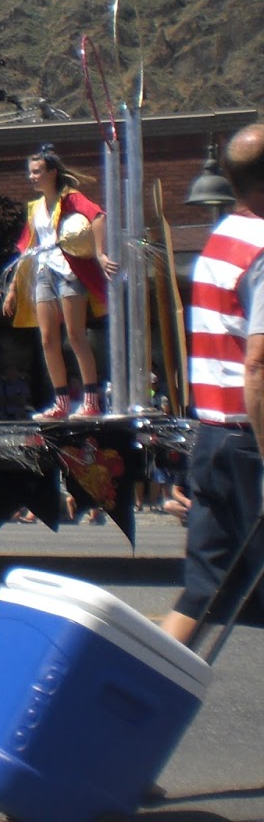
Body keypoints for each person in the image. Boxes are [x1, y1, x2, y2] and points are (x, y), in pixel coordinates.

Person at [161, 124, 264, 646]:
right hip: (252, 438)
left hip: (214, 435)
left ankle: (129, 702)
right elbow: (259, 365)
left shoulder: (220, 240)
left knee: (202, 592)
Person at [2, 144, 117, 420]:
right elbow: (26, 248)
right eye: (30, 172)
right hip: (44, 272)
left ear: (52, 172)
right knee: (47, 339)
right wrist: (13, 289)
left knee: (76, 336)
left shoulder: (71, 199)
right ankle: (61, 402)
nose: (32, 177)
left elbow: (99, 216)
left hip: (68, 270)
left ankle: (91, 401)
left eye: (37, 171)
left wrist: (100, 253)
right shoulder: (35, 208)